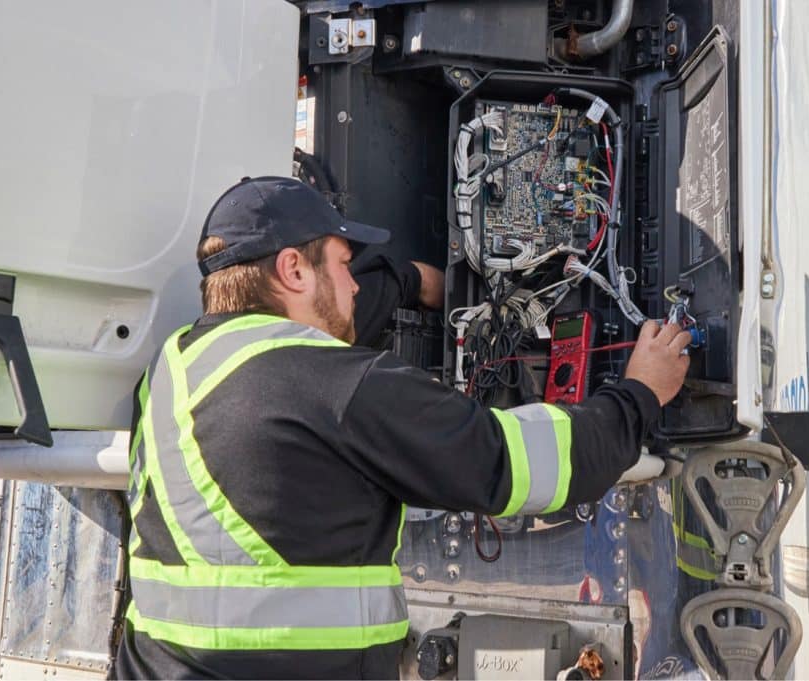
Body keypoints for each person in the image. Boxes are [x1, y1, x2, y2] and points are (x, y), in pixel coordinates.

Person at [111, 176, 691, 680]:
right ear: (292, 269)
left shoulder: (169, 371)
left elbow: (315, 340)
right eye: (343, 263)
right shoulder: (342, 384)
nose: (356, 283)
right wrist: (640, 392)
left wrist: (413, 281)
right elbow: (521, 462)